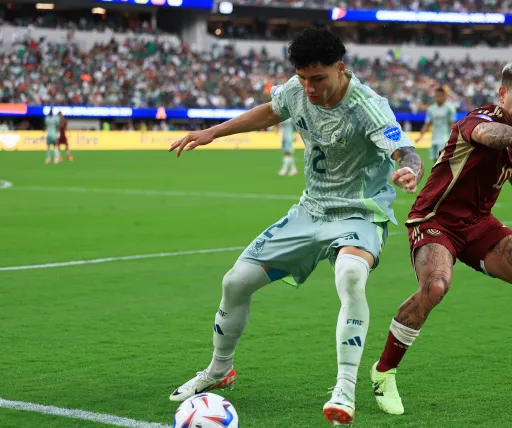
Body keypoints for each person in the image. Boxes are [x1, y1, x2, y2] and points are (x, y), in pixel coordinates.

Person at [167, 28, 423, 426]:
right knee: (235, 282)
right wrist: (214, 131)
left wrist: (408, 168)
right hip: (310, 212)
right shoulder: (296, 89)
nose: (310, 88)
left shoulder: (369, 106)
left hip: (358, 213)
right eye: (303, 78)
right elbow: (271, 111)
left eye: (318, 79)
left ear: (340, 69)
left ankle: (344, 387)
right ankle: (219, 369)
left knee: (351, 275)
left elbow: (403, 148)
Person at [369, 60, 512, 417]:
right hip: (436, 220)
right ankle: (383, 373)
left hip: (478, 224)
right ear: (502, 93)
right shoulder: (478, 121)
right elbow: (488, 137)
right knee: (436, 286)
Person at [416, 87, 457, 161]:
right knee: (435, 160)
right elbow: (427, 124)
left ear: (445, 96)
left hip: (445, 138)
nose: (440, 98)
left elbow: (452, 124)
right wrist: (420, 136)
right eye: (438, 96)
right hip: (434, 138)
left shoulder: (450, 108)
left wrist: (453, 137)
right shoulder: (431, 109)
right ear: (435, 96)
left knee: (442, 159)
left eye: (442, 96)